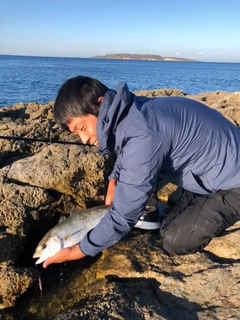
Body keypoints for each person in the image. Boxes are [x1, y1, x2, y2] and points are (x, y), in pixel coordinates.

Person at [42, 75, 240, 268]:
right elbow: (129, 149)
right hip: (212, 167)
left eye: (82, 128)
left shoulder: (142, 134)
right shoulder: (135, 111)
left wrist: (75, 252)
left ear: (100, 104)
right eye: (77, 134)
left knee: (174, 240)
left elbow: (123, 216)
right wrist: (114, 179)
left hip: (233, 182)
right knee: (166, 224)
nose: (83, 139)